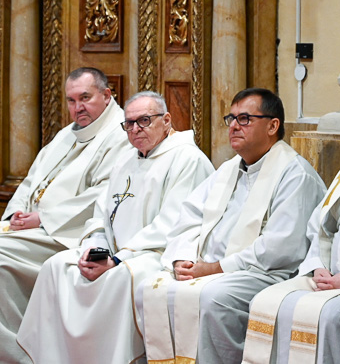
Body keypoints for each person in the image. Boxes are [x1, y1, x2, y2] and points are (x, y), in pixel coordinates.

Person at [17, 91, 215, 364]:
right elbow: (101, 215)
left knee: (122, 278)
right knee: (56, 266)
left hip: (158, 255)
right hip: (113, 252)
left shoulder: (187, 159)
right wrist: (95, 248)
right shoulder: (125, 160)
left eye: (144, 120)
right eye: (129, 123)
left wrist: (119, 259)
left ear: (166, 120)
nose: (135, 129)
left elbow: (173, 224)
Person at [139, 88, 326, 364]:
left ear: (273, 126)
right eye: (231, 118)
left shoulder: (295, 175)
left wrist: (214, 268)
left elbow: (279, 248)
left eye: (245, 119)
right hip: (211, 268)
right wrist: (183, 258)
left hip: (265, 274)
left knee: (214, 299)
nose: (234, 126)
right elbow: (189, 215)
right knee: (150, 289)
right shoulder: (229, 169)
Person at [243, 82, 340, 364]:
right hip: (327, 276)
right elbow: (318, 227)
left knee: (330, 316)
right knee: (264, 302)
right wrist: (318, 267)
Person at [0, 67, 129, 363]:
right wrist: (17, 213)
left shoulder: (121, 134)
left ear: (106, 95)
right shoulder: (67, 133)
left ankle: (19, 353)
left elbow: (104, 194)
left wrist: (43, 219)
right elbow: (31, 180)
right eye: (71, 100)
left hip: (67, 234)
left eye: (85, 98)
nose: (77, 108)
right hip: (34, 229)